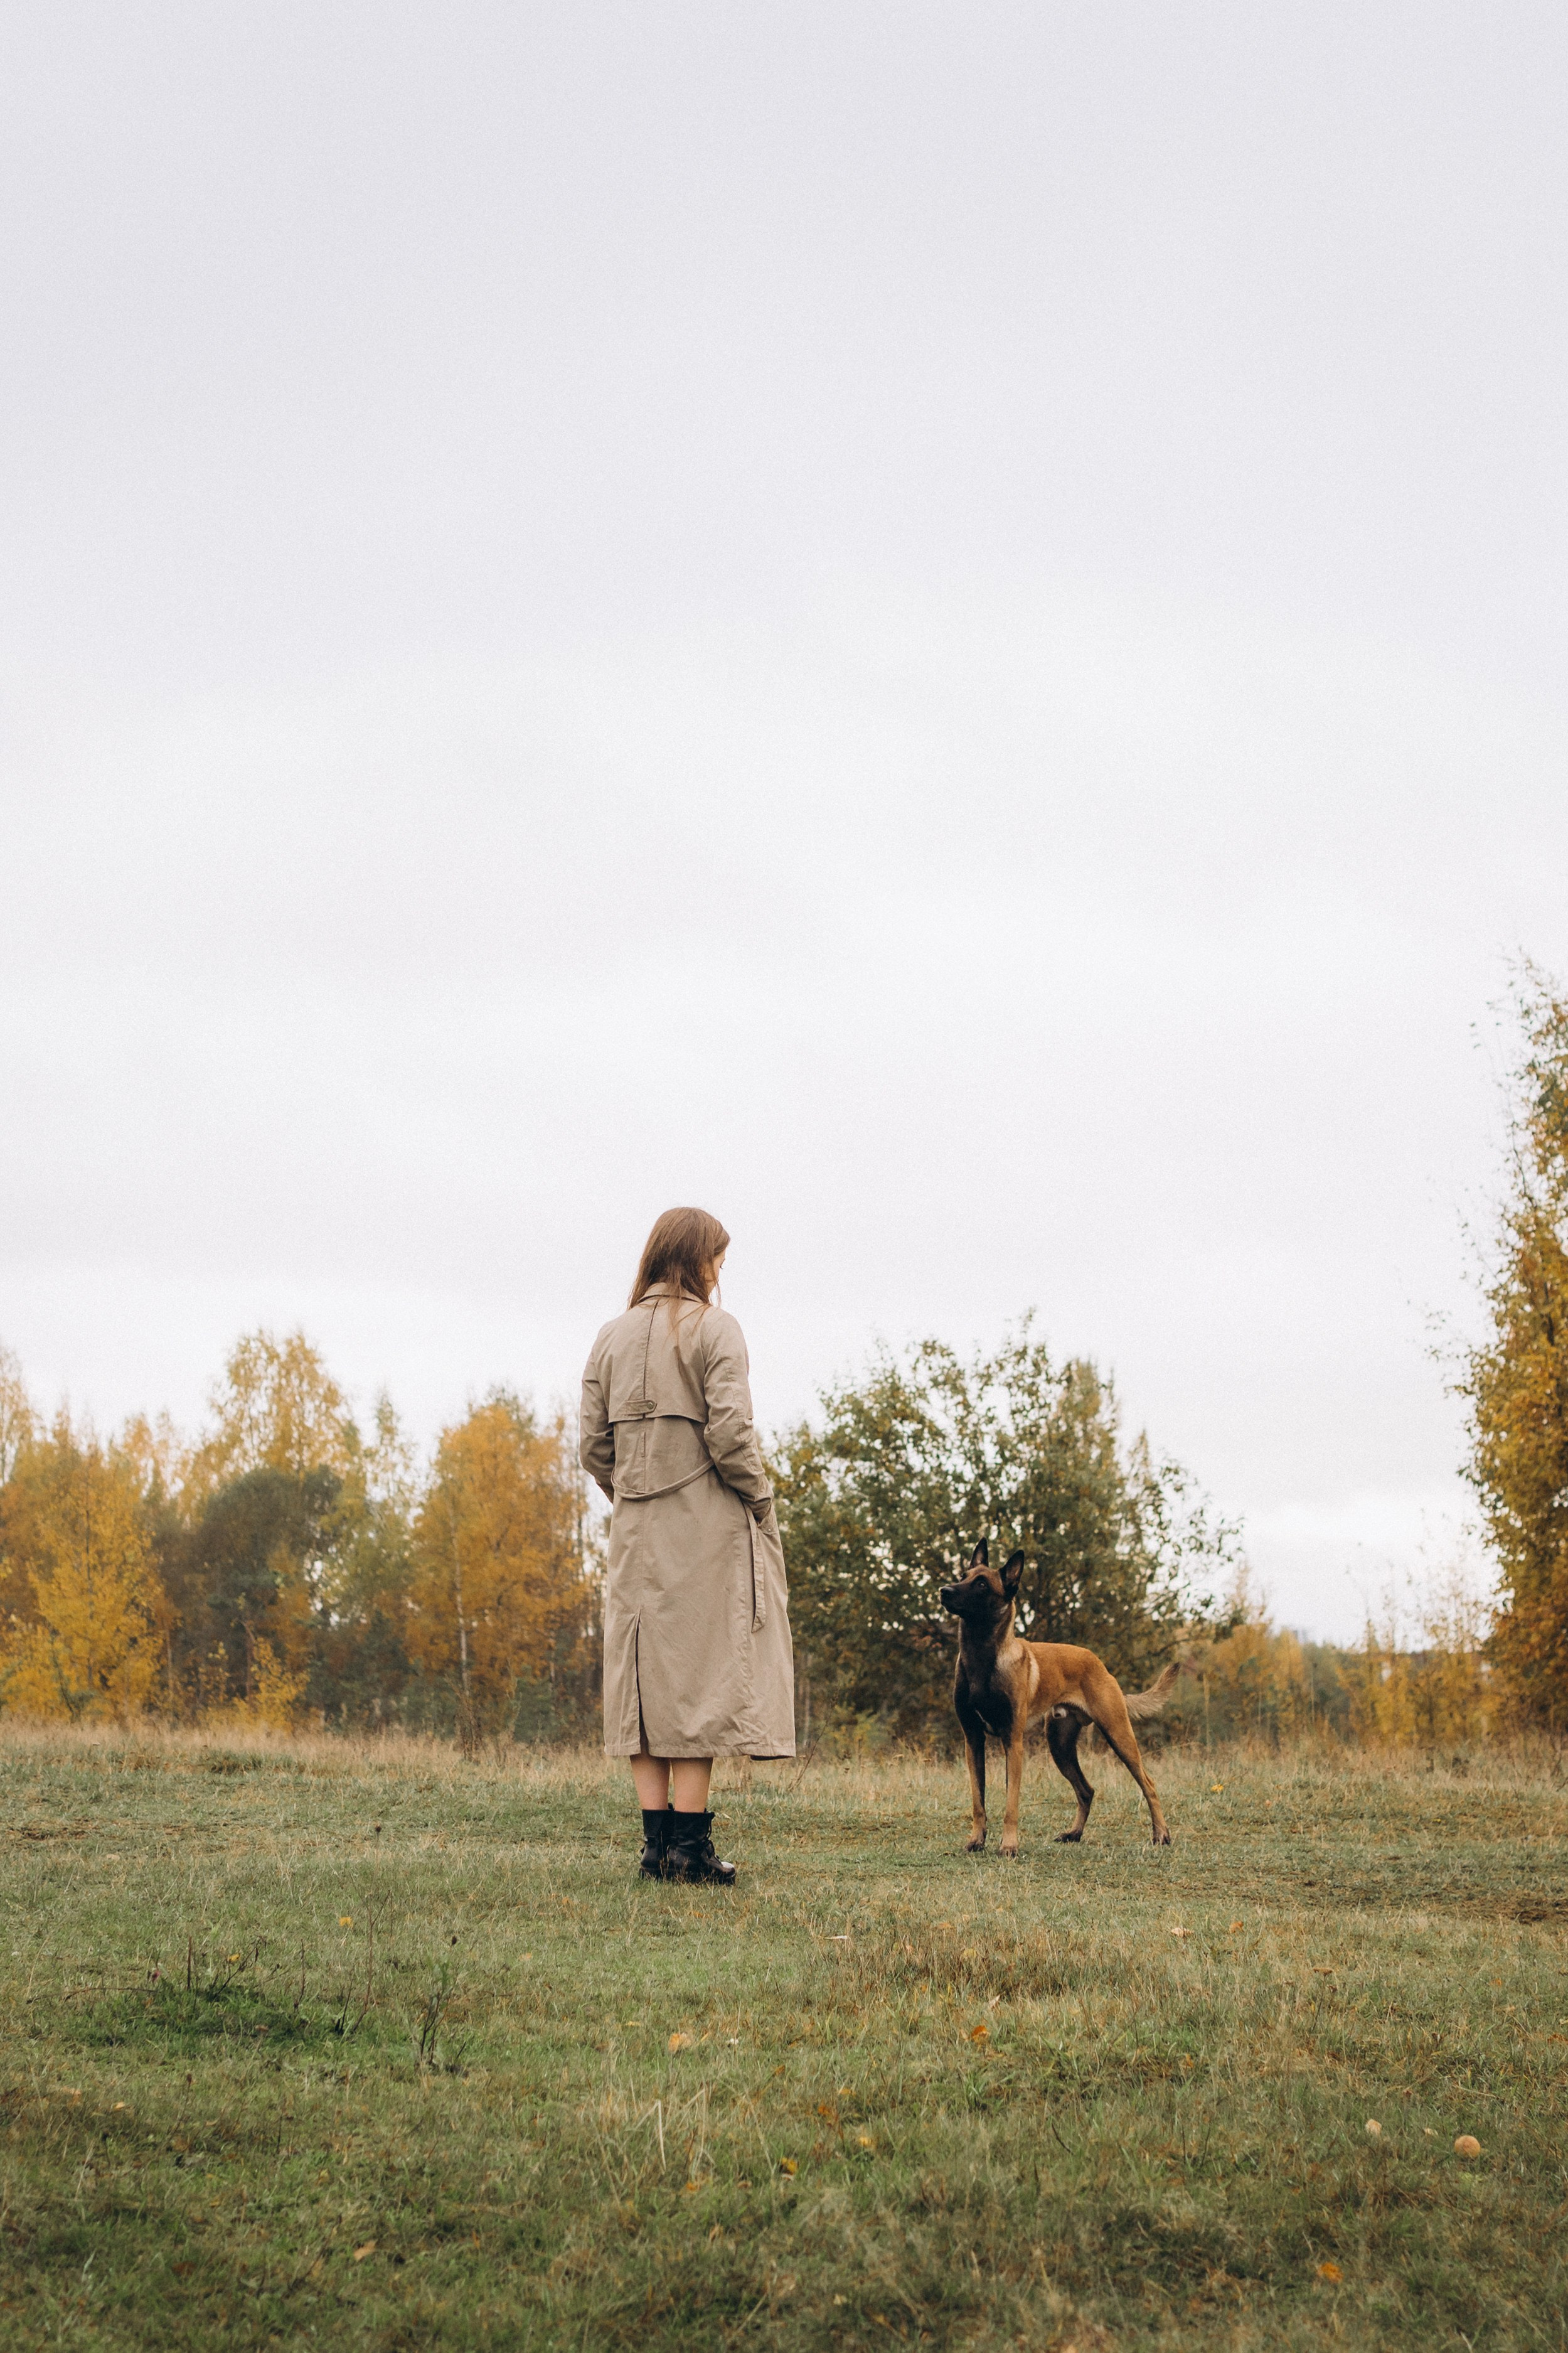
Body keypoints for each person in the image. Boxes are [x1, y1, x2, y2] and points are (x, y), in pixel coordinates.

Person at [580, 1207, 795, 1884]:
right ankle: (690, 1850)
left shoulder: (610, 1336)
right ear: (698, 1258)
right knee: (697, 1680)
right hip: (704, 1529)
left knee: (643, 1683)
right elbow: (732, 1434)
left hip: (635, 1532)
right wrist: (760, 1498)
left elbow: (592, 1446)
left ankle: (654, 1849)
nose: (720, 1272)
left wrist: (631, 1494)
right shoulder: (715, 1329)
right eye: (718, 1260)